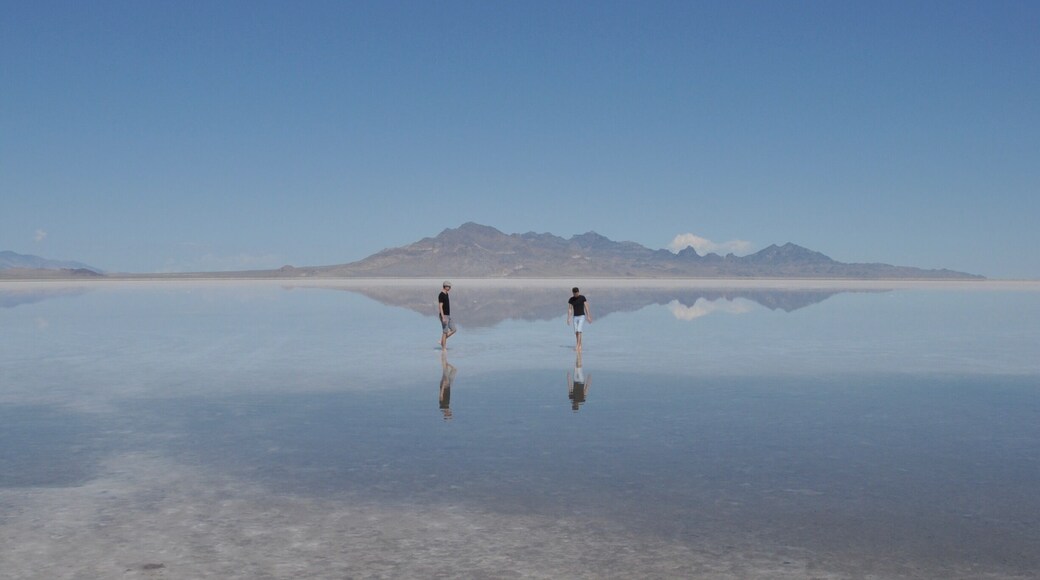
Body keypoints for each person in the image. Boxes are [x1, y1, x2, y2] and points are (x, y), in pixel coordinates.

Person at [566, 286, 591, 351]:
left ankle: (578, 345)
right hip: (575, 317)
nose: (575, 295)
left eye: (576, 293)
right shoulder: (571, 299)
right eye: (574, 294)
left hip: (581, 316)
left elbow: (586, 306)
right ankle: (579, 345)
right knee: (576, 332)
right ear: (573, 293)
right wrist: (568, 318)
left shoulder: (582, 298)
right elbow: (570, 309)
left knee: (579, 331)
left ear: (578, 292)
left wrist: (588, 316)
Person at [438, 281, 456, 349]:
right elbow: (440, 306)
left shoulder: (446, 294)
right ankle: (444, 348)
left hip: (448, 315)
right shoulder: (441, 295)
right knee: (445, 332)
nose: (450, 288)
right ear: (445, 286)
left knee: (454, 329)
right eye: (449, 287)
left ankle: (442, 341)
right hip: (444, 316)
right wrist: (443, 317)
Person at [439, 350, 457, 421]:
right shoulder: (447, 406)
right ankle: (446, 362)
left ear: (445, 414)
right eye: (450, 413)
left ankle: (443, 357)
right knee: (454, 370)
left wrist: (442, 389)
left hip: (445, 385)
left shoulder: (442, 406)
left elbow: (441, 395)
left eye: (449, 414)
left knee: (445, 370)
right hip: (448, 385)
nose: (450, 412)